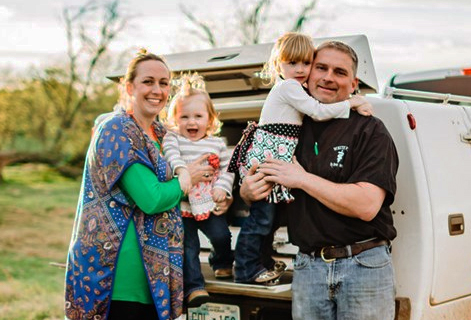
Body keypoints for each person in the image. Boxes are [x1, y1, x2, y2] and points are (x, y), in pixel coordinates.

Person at [64, 49, 232, 320]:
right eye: (148, 81)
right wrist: (186, 177)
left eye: (164, 83)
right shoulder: (117, 130)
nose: (157, 90)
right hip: (118, 278)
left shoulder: (163, 134)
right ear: (129, 86)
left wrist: (220, 194)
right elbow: (151, 198)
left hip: (157, 278)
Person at [241, 40, 399, 320]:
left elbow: (366, 205)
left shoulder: (370, 131)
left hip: (363, 266)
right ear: (307, 74)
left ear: (353, 84)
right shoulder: (291, 125)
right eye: (321, 67)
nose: (328, 77)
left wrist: (302, 179)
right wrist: (249, 191)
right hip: (307, 267)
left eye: (339, 72)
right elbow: (255, 189)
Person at [228, 32, 373, 284]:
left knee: (270, 218)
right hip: (270, 157)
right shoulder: (288, 86)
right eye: (291, 63)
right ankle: (245, 268)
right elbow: (317, 112)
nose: (300, 69)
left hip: (276, 157)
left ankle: (261, 263)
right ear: (278, 65)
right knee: (261, 219)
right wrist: (352, 102)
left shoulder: (296, 88)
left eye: (306, 63)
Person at [162, 73, 235, 307]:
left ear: (210, 119)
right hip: (183, 207)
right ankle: (194, 287)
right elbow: (171, 156)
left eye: (198, 116)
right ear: (175, 119)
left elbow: (227, 170)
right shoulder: (173, 139)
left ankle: (221, 261)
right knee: (188, 247)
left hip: (208, 202)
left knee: (222, 236)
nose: (191, 122)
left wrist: (223, 189)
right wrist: (183, 171)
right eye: (184, 117)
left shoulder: (217, 144)